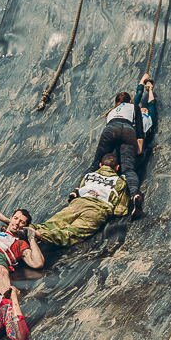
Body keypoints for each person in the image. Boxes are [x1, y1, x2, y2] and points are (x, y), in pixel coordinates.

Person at [33, 154, 131, 247]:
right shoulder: (119, 182)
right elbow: (120, 210)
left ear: (100, 165)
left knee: (55, 222)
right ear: (117, 167)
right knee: (73, 232)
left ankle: (31, 229)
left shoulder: (88, 176)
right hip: (96, 211)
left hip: (78, 203)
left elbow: (80, 190)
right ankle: (42, 236)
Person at [91, 90, 145, 218]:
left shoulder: (111, 111)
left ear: (116, 103)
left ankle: (77, 190)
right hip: (128, 131)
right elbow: (140, 131)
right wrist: (139, 149)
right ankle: (135, 195)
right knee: (129, 168)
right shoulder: (134, 107)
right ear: (130, 101)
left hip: (111, 129)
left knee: (95, 163)